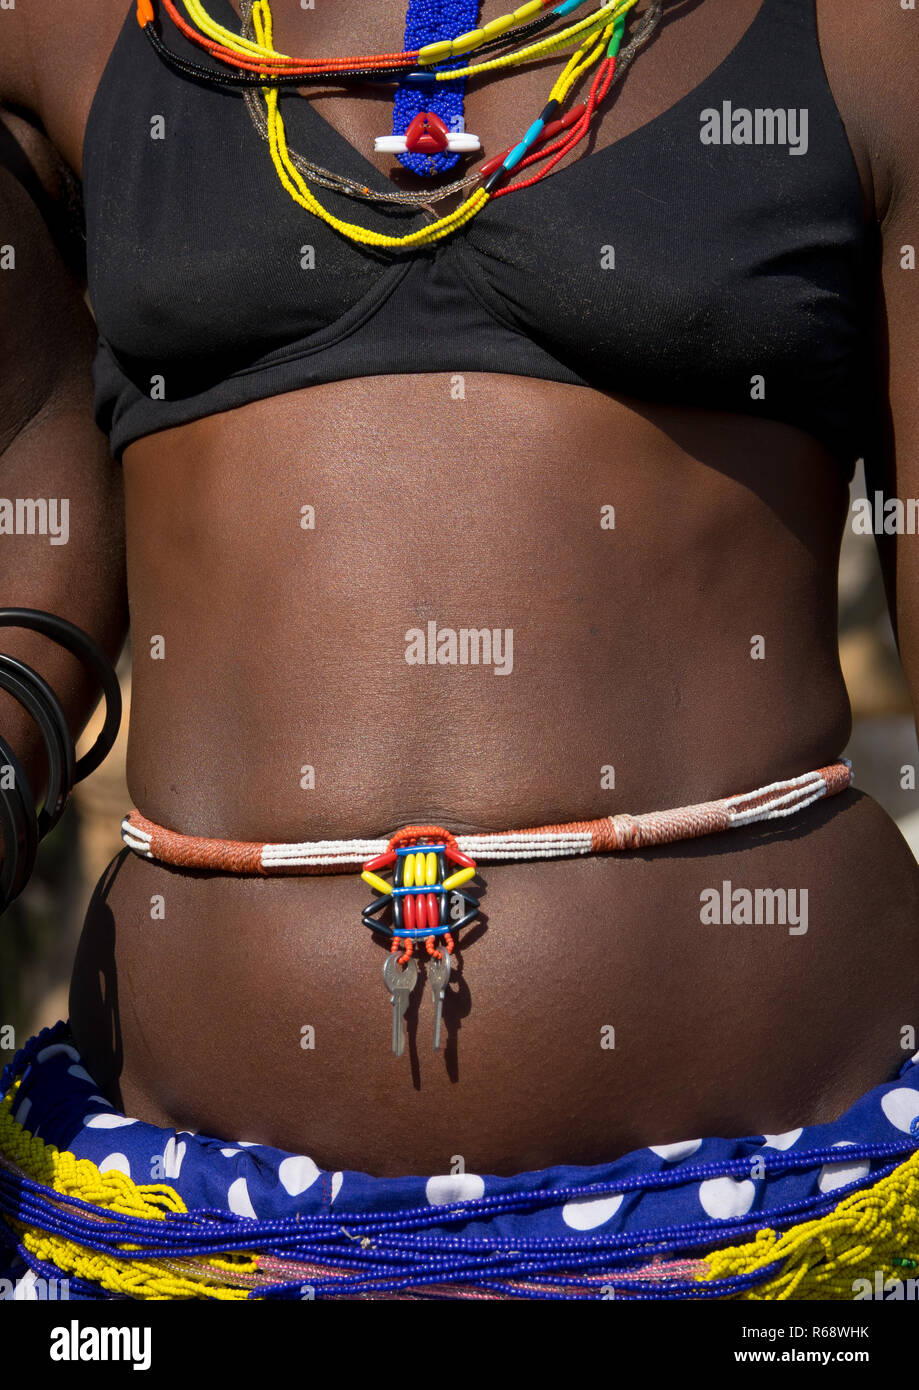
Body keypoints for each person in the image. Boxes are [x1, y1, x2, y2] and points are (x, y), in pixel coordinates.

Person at [0, 0, 917, 1301]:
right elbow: (33, 463)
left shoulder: (863, 37)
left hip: (792, 1216)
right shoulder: (71, 35)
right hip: (163, 1232)